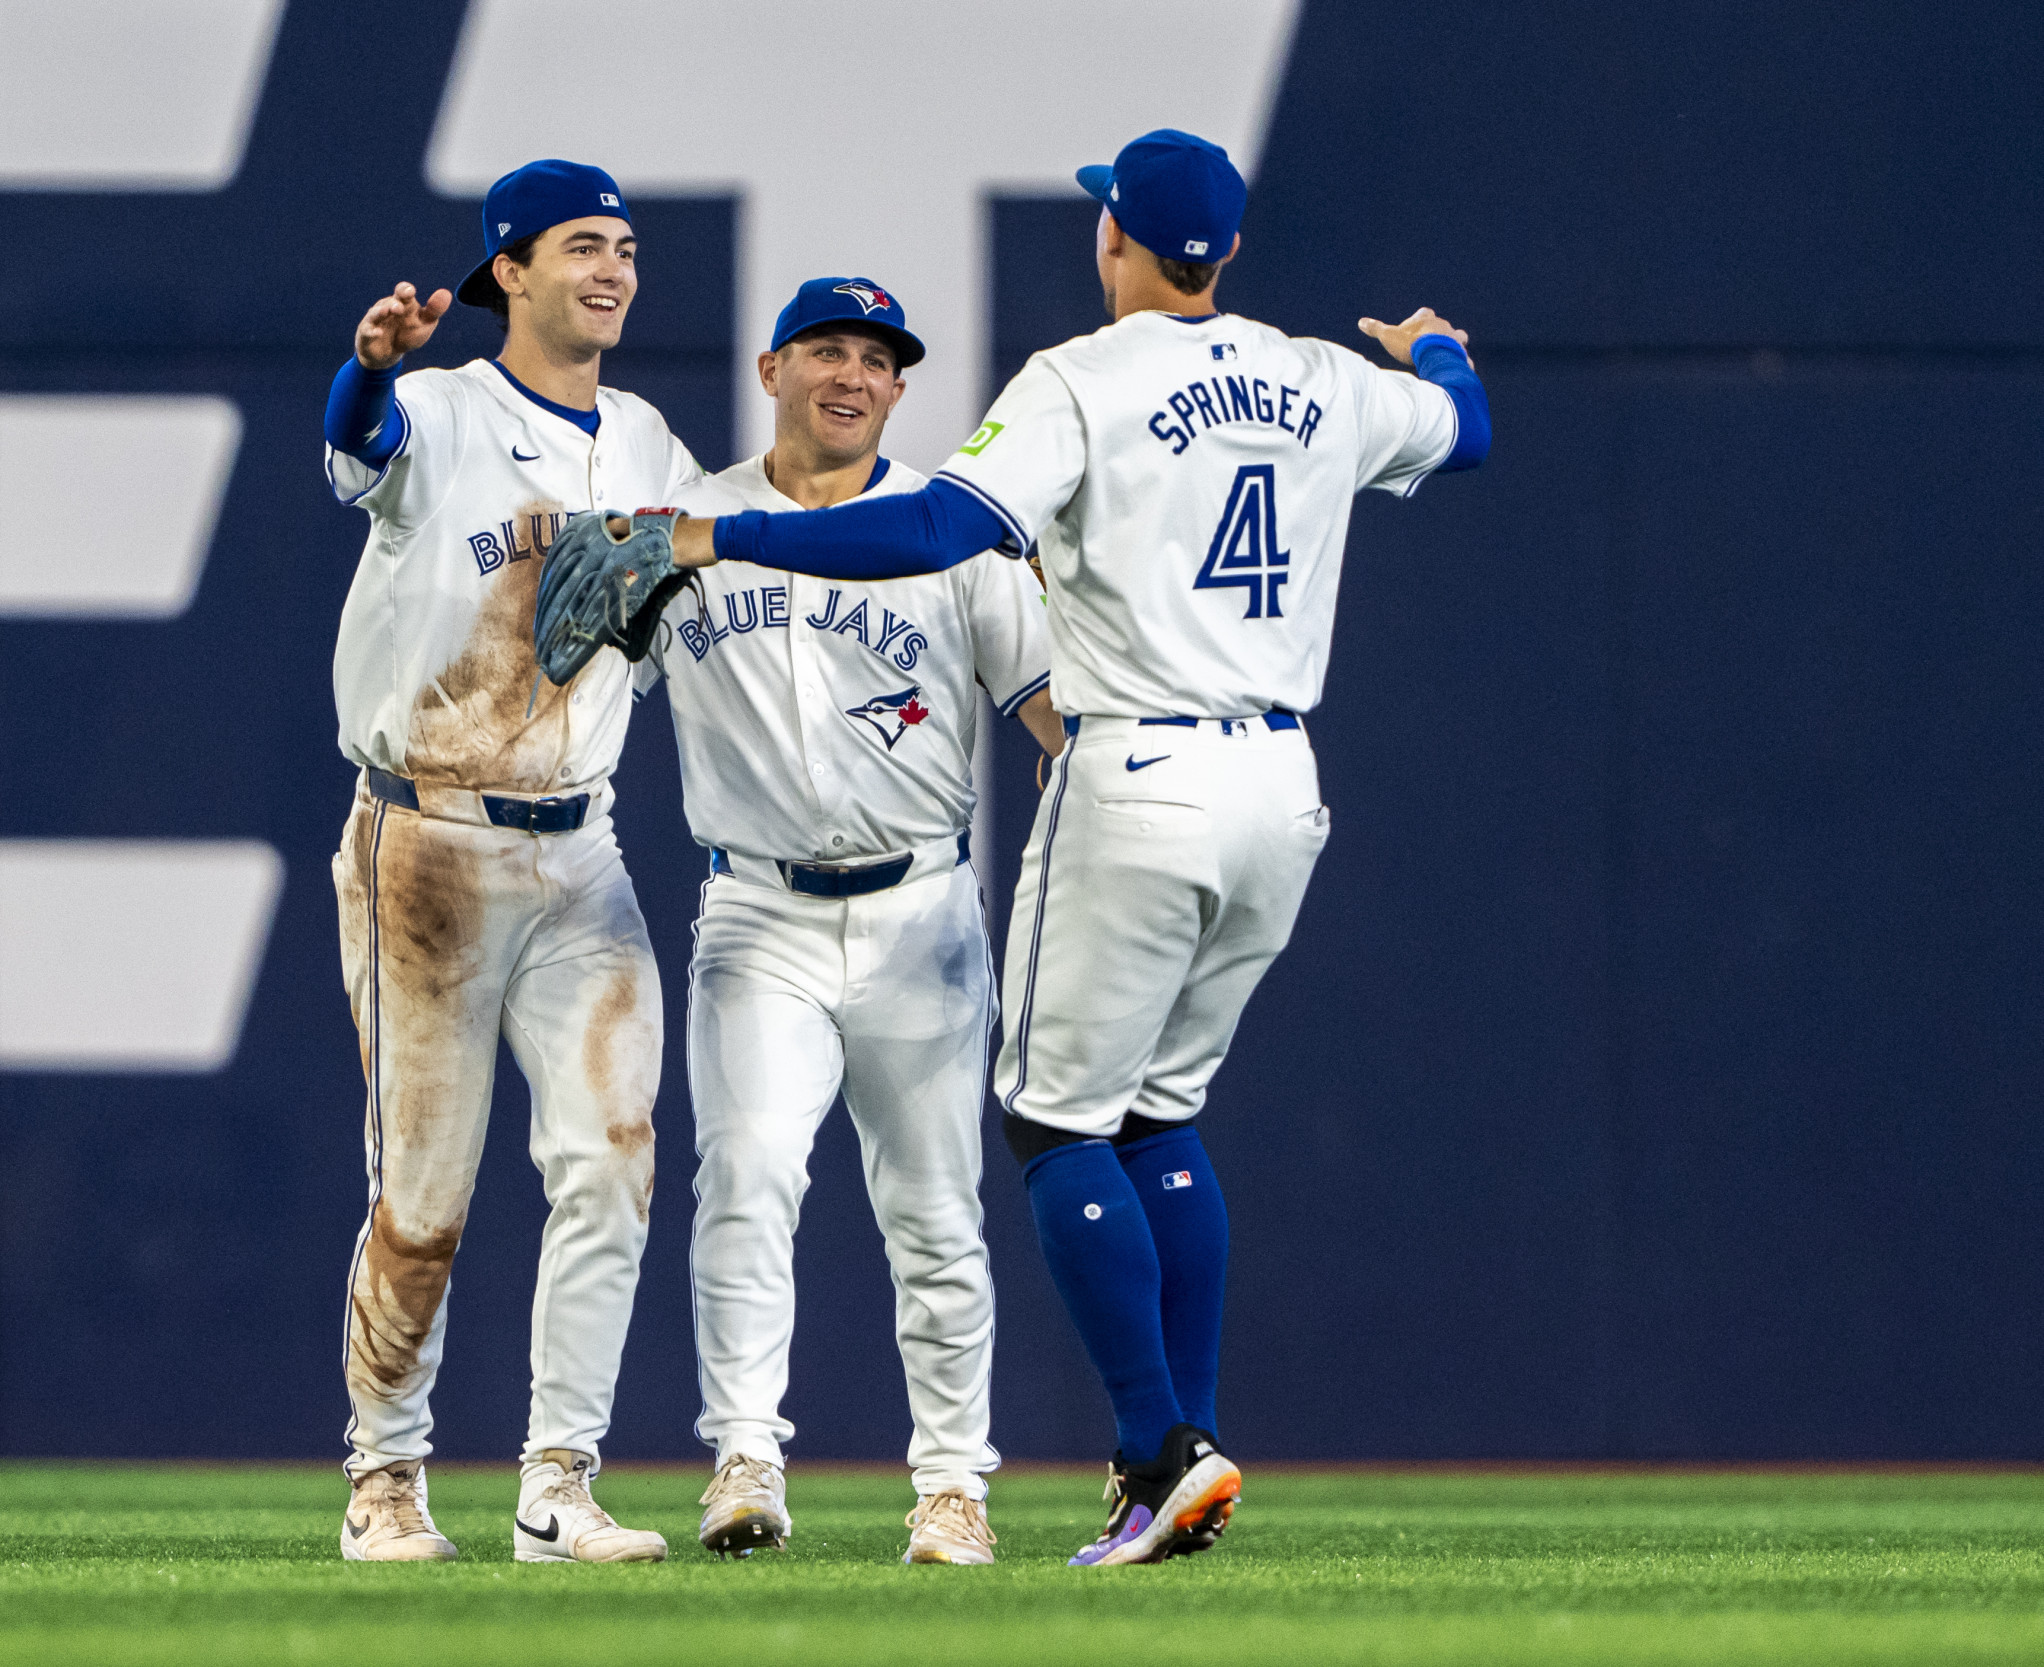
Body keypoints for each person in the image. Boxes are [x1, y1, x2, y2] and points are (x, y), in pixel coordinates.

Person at [554, 128, 1490, 1566]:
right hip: (1282, 776)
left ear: (1117, 239)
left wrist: (709, 535)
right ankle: (1174, 1450)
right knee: (1157, 1118)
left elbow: (937, 522)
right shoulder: (1320, 378)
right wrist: (1439, 357)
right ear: (1224, 250)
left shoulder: (1084, 378)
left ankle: (1158, 1444)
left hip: (1140, 767)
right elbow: (1463, 430)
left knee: (1056, 1127)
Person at [633, 277, 1062, 1564]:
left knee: (934, 1210)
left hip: (922, 906)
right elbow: (581, 686)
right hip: (756, 907)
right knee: (749, 1176)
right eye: (827, 347)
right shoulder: (686, 521)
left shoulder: (957, 531)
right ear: (771, 366)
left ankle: (951, 1486)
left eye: (879, 358)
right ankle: (744, 1458)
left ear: (898, 388)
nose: (852, 373)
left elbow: (1053, 719)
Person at [319, 158, 705, 1564]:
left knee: (614, 1159)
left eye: (626, 246)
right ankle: (386, 1473)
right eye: (582, 245)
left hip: (580, 846)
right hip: (426, 838)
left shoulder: (651, 439)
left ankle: (558, 1482)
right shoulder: (439, 406)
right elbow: (358, 445)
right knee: (423, 1195)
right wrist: (368, 366)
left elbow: (663, 628)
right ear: (511, 271)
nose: (613, 268)